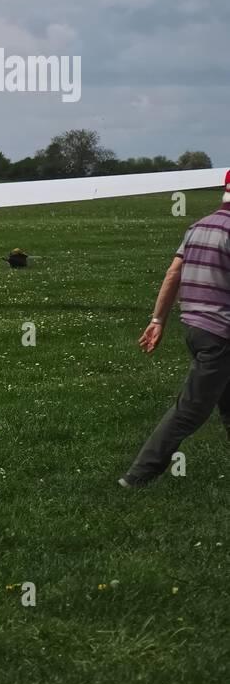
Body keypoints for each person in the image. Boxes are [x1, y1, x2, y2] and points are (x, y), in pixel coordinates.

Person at [121, 172, 230, 486]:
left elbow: (173, 273)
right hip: (221, 334)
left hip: (195, 329)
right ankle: (138, 475)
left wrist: (158, 320)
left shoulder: (198, 227)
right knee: (190, 410)